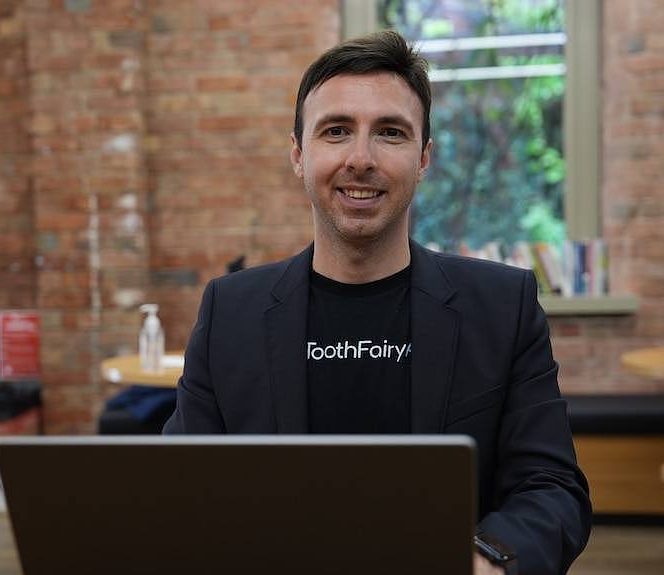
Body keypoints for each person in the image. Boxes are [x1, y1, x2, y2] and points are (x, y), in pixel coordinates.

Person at [164, 30, 591, 575]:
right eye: (336, 131)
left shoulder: (503, 306)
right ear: (299, 155)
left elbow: (552, 489)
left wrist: (482, 561)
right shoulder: (231, 311)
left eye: (389, 133)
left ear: (424, 158)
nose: (360, 159)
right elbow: (180, 489)